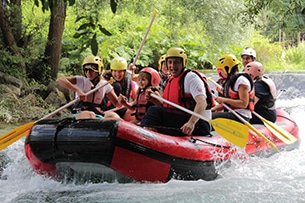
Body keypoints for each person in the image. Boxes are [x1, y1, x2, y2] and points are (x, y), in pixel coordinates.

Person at [141, 47, 214, 136]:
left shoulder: (191, 78)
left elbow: (202, 103)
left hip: (199, 124)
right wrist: (153, 100)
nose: (172, 66)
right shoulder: (171, 79)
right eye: (170, 62)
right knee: (151, 108)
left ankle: (145, 135)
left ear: (183, 63)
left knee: (154, 111)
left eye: (176, 62)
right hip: (182, 119)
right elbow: (168, 107)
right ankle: (147, 133)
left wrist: (191, 123)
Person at [56, 55, 121, 120]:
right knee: (90, 115)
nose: (88, 73)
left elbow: (117, 104)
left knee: (114, 116)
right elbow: (60, 80)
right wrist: (78, 90)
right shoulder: (81, 80)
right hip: (80, 112)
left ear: (99, 70)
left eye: (91, 70)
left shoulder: (105, 85)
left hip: (97, 114)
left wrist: (122, 101)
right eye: (86, 70)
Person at [212, 54, 255, 123]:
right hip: (233, 113)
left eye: (220, 71)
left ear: (227, 69)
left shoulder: (241, 81)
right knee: (209, 115)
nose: (220, 74)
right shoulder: (231, 81)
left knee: (211, 118)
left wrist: (223, 99)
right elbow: (227, 104)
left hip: (241, 116)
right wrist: (212, 109)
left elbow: (244, 104)